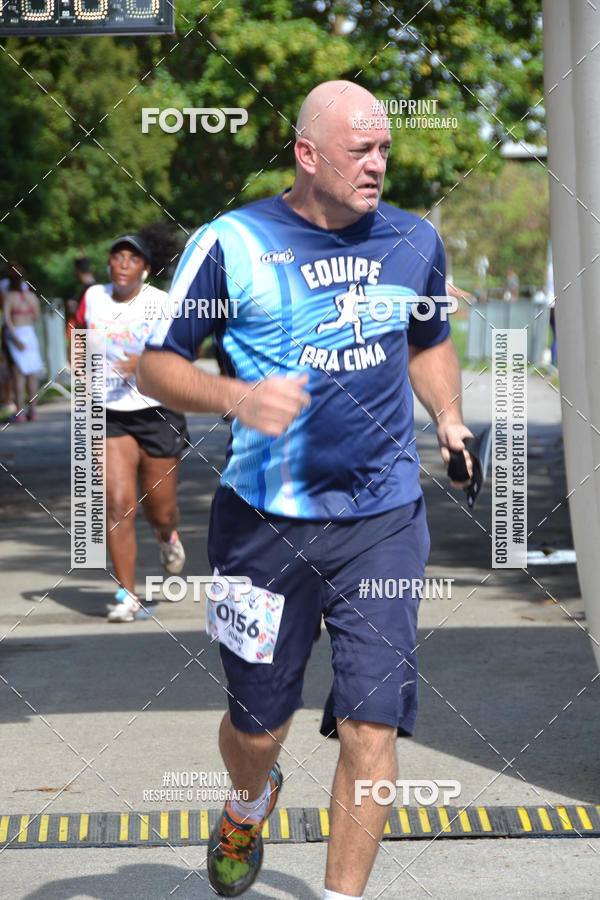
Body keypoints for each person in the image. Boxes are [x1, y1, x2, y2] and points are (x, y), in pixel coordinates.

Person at [138, 81, 472, 899]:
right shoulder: (234, 242)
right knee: (258, 727)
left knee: (372, 723)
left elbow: (428, 339)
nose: (378, 163)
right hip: (261, 526)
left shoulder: (413, 239)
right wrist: (236, 398)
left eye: (385, 147)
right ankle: (249, 800)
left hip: (384, 518)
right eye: (361, 149)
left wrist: (452, 418)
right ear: (307, 154)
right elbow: (156, 363)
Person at [75, 228, 188, 622]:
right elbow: (78, 333)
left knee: (162, 510)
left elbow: (181, 351)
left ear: (146, 268)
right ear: (110, 263)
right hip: (110, 414)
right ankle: (128, 595)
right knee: (118, 504)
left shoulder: (161, 303)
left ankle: (167, 537)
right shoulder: (94, 298)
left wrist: (144, 366)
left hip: (157, 411)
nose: (123, 264)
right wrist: (81, 368)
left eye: (133, 258)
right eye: (117, 256)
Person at [2, 263, 43, 422]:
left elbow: (6, 319)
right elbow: (37, 318)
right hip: (29, 333)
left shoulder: (9, 297)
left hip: (16, 334)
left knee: (18, 374)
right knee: (31, 374)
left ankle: (20, 412)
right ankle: (33, 411)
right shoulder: (32, 297)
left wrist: (16, 338)